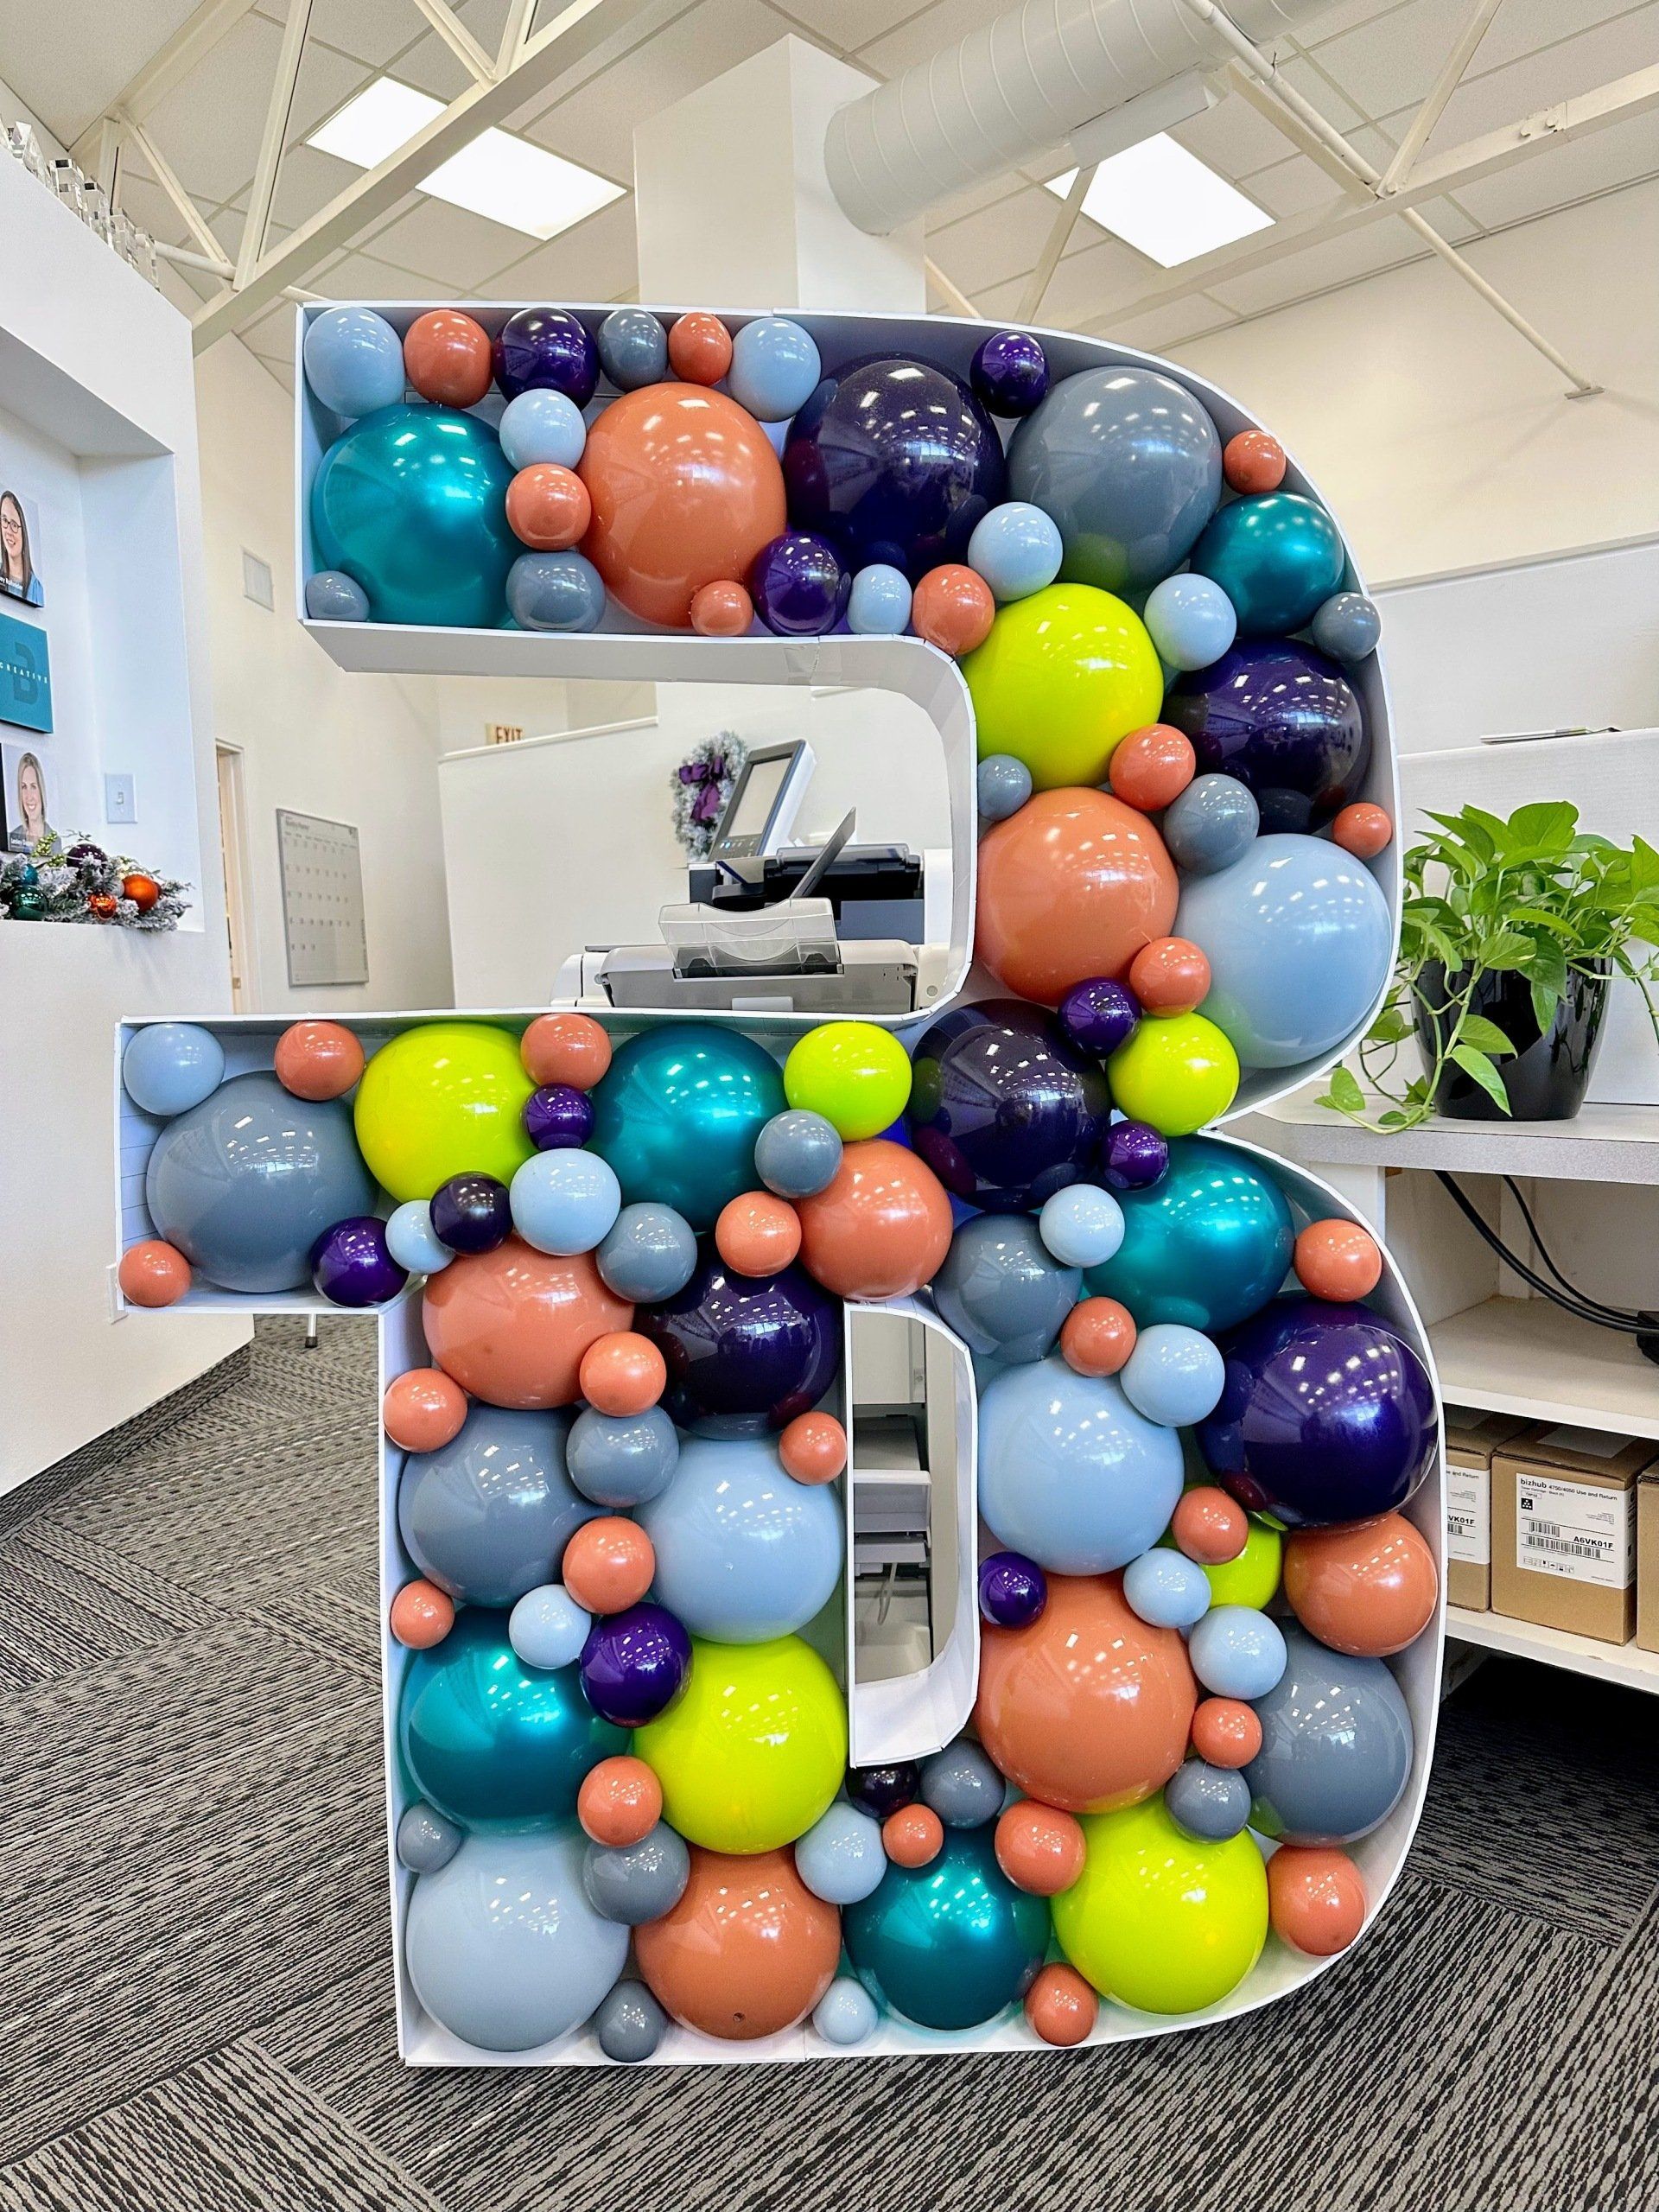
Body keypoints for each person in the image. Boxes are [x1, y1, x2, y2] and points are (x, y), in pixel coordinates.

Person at [0, 492, 42, 606]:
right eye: (4, 521)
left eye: (14, 525)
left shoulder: (36, 590)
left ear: (23, 532)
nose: (9, 531)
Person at [10, 751, 53, 851]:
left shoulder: (56, 841)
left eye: (33, 786)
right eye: (24, 787)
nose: (29, 797)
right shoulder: (13, 838)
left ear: (41, 790)